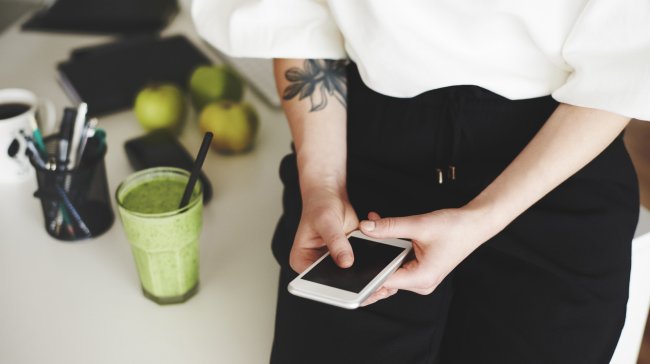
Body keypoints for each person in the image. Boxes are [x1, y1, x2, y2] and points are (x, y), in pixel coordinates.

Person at [193, 1, 649, 363]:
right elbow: (297, 19)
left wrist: (480, 219)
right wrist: (323, 184)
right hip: (360, 142)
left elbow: (625, 61)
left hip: (552, 161)